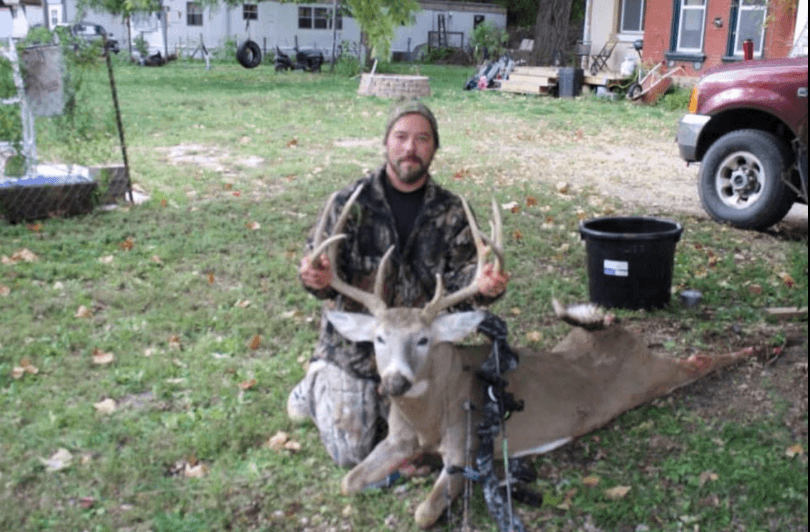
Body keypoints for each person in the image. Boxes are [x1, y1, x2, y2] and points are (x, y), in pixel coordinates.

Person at [287, 100, 510, 467]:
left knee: (433, 437)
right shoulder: (351, 204)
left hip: (420, 350)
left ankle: (385, 400)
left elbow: (464, 284)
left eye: (422, 139)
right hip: (359, 347)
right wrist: (316, 278)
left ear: (434, 148)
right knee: (353, 452)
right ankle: (315, 384)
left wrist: (484, 287)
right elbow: (321, 275)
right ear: (386, 143)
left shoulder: (453, 212)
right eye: (401, 137)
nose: (410, 148)